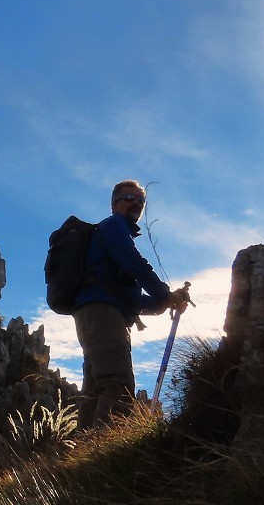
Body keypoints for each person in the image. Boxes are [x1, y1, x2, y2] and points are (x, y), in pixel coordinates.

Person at [72, 180, 190, 426]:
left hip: (97, 314)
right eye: (129, 197)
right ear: (114, 204)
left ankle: (81, 453)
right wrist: (165, 294)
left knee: (96, 388)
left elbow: (130, 299)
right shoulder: (113, 226)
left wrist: (164, 303)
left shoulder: (109, 239)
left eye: (140, 200)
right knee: (118, 383)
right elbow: (134, 262)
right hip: (102, 314)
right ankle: (103, 456)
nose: (135, 202)